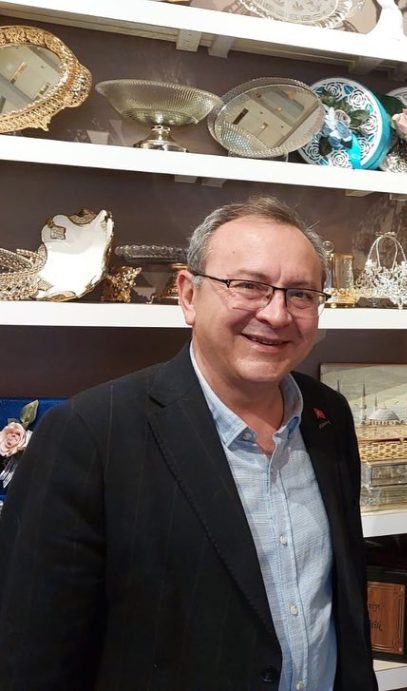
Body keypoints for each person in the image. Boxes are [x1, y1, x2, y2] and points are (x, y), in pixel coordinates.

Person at [0, 197, 378, 691]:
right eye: (249, 286)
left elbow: (341, 604)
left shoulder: (328, 417)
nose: (277, 314)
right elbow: (32, 654)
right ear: (188, 296)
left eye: (301, 294)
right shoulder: (90, 434)